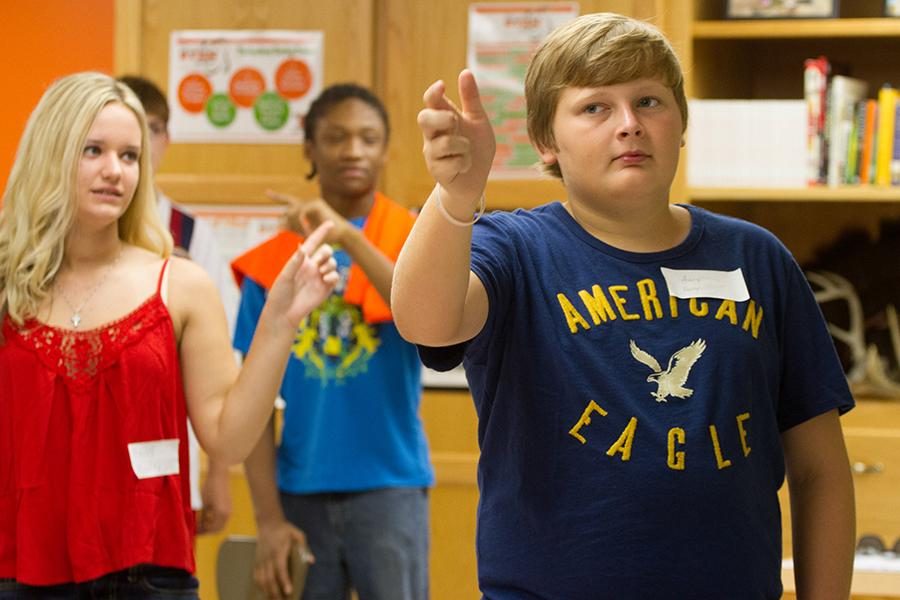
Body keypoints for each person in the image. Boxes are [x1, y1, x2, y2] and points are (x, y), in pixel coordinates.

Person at [391, 12, 856, 600]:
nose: (630, 125)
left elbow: (820, 473)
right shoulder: (513, 249)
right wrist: (456, 197)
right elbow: (424, 321)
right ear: (546, 141)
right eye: (595, 108)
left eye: (649, 101)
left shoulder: (757, 258)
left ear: (681, 123)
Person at [0, 72, 338, 596]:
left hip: (149, 578)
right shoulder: (5, 287)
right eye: (93, 150)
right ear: (51, 153)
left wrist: (279, 324)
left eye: (130, 156)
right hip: (21, 574)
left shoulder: (180, 284)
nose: (115, 171)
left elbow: (227, 438)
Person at [231, 83, 433, 600]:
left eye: (369, 138)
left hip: (392, 486)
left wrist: (347, 236)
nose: (353, 151)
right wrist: (268, 517)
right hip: (298, 492)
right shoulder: (273, 260)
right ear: (309, 148)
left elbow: (422, 311)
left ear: (387, 150)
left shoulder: (415, 239)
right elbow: (251, 403)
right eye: (337, 137)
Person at [118, 74, 234, 535]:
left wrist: (219, 474)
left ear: (166, 138)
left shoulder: (190, 235)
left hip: (170, 460)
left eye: (153, 127)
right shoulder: (62, 235)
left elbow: (225, 366)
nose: (141, 142)